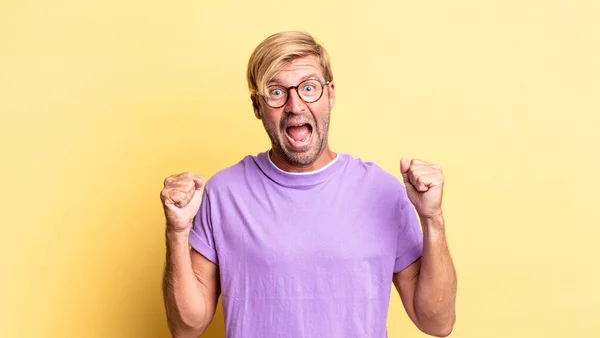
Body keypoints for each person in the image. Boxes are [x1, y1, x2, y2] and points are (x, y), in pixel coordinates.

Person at [161, 31, 457, 338]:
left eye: (309, 88)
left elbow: (436, 322)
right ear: (257, 106)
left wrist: (432, 219)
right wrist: (177, 232)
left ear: (330, 94)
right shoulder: (223, 193)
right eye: (276, 92)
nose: (295, 105)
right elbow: (187, 327)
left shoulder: (382, 192)